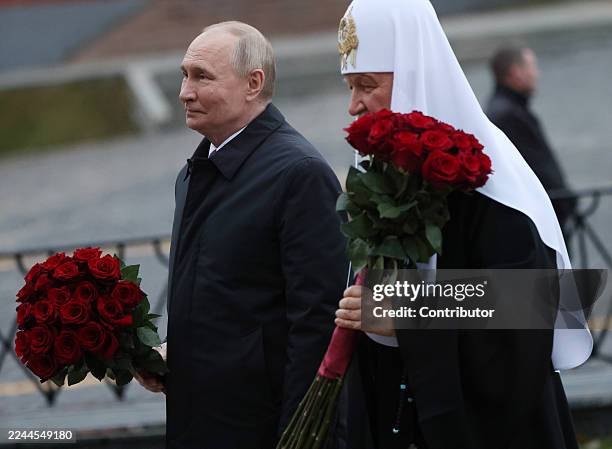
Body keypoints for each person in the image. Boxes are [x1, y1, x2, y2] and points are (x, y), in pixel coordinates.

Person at [333, 1, 592, 448]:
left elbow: (539, 303)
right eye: (350, 85)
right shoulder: (384, 181)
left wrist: (412, 314)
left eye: (367, 84)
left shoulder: (489, 184)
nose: (354, 104)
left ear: (414, 79)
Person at [134, 21, 348, 449]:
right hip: (201, 419)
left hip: (260, 428)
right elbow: (229, 299)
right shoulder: (194, 173)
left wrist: (299, 437)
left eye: (202, 77)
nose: (184, 92)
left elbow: (316, 324)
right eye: (183, 74)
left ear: (254, 83)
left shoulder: (299, 174)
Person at [487, 45, 576, 236]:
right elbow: (538, 168)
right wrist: (564, 202)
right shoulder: (508, 115)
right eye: (532, 67)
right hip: (541, 221)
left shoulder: (506, 109)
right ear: (516, 73)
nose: (537, 74)